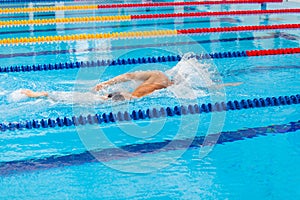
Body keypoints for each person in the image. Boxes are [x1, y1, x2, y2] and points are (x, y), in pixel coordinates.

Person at [20, 70, 242, 101]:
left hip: (123, 94)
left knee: (85, 99)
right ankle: (38, 94)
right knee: (91, 101)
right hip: (126, 97)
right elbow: (128, 75)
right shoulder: (164, 83)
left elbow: (128, 74)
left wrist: (104, 83)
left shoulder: (159, 77)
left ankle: (41, 94)